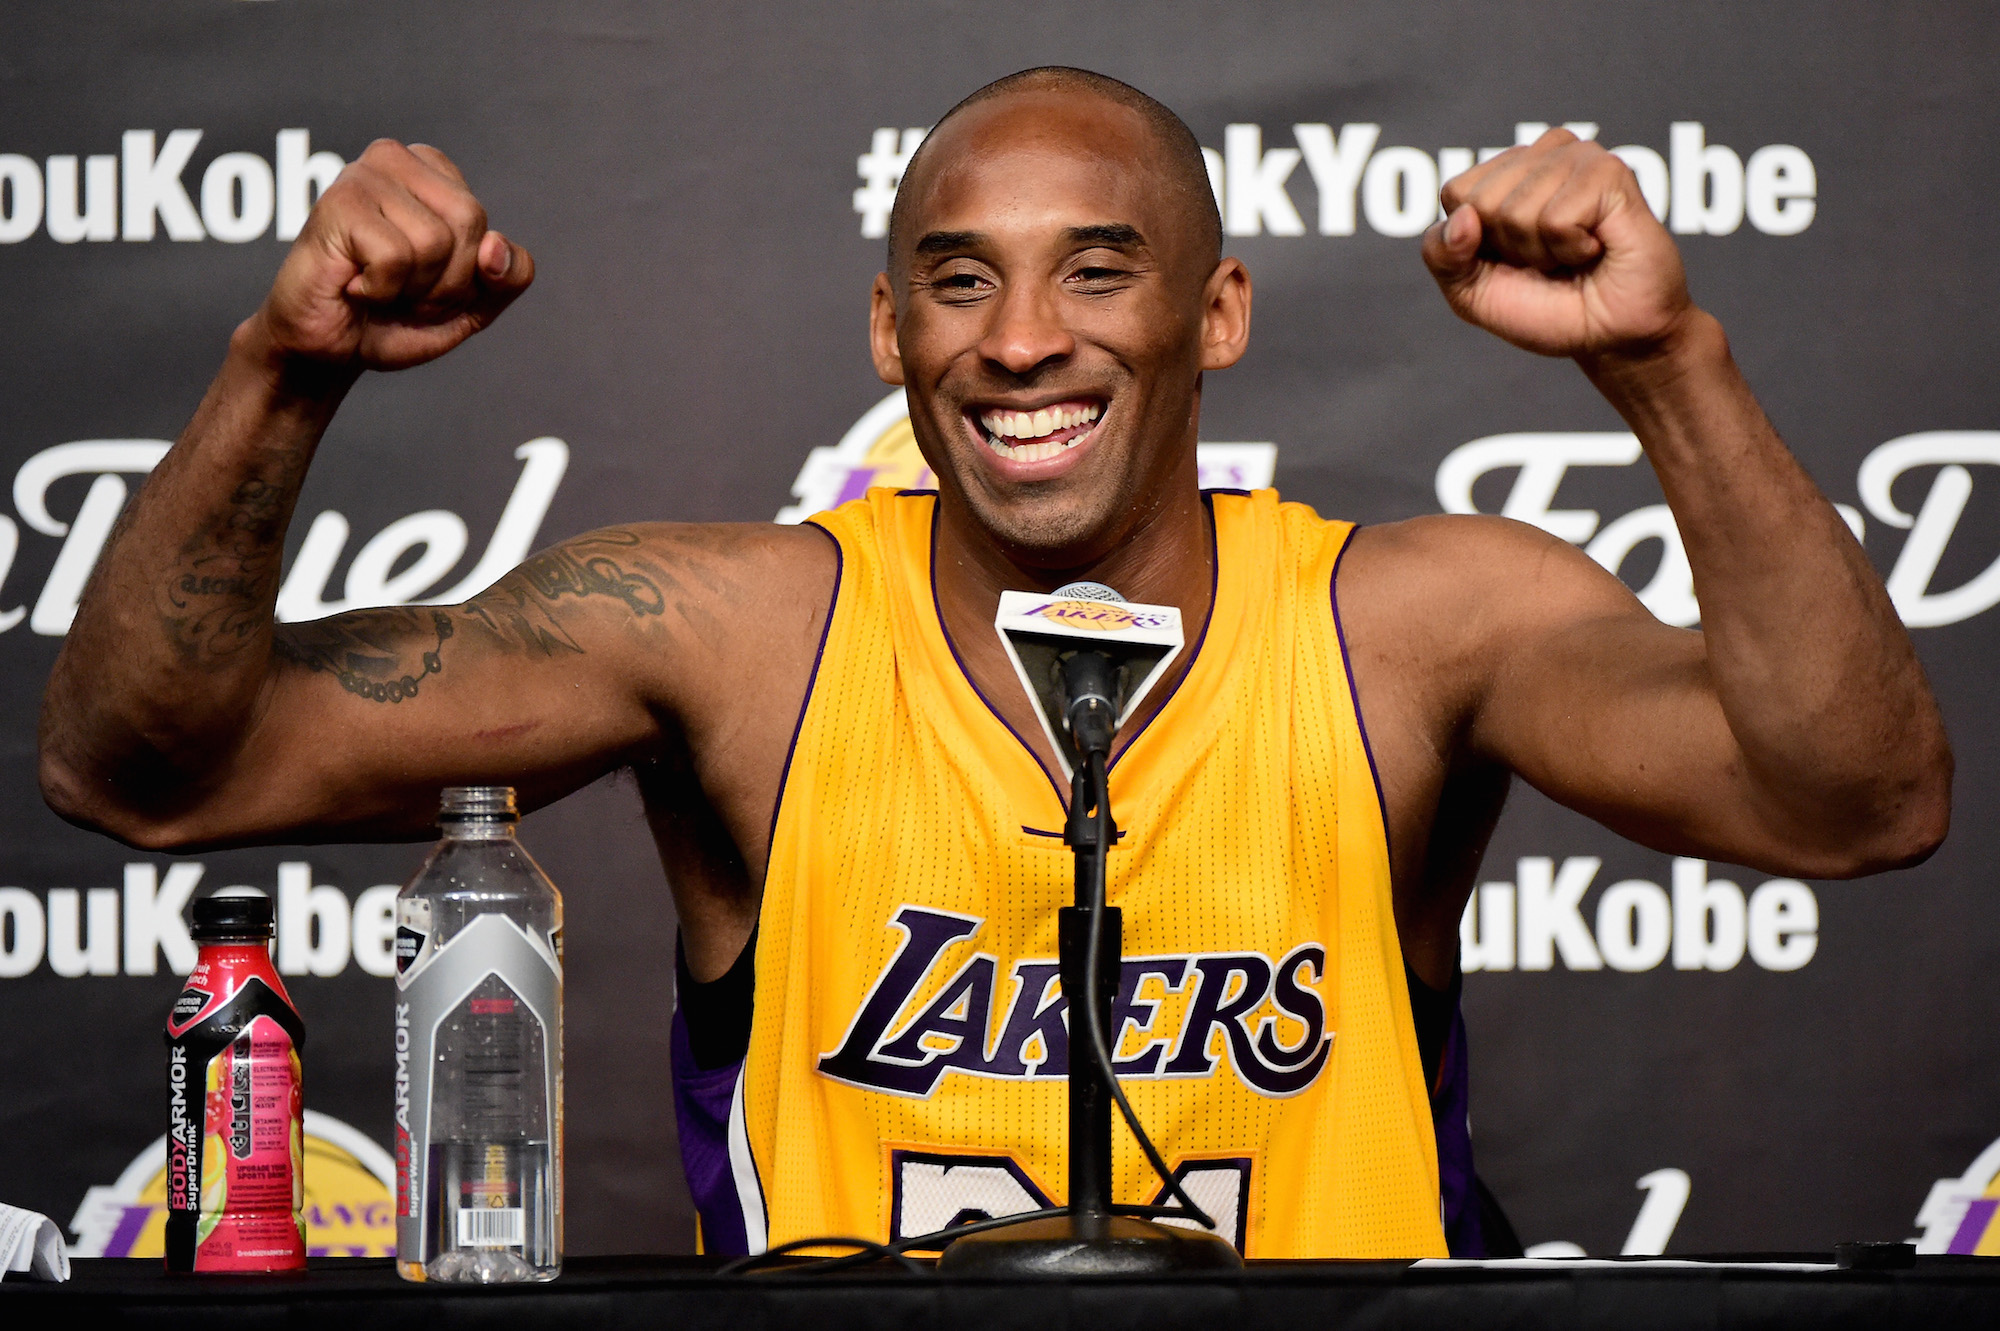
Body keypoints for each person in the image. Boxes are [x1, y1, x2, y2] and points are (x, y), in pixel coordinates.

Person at [39, 68, 1949, 1260]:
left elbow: (1857, 802)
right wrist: (282, 371)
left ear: (1221, 312)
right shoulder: (741, 636)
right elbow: (151, 769)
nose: (1021, 338)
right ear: (888, 328)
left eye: (1099, 271)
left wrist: (1664, 364)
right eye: (961, 278)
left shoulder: (1411, 626)